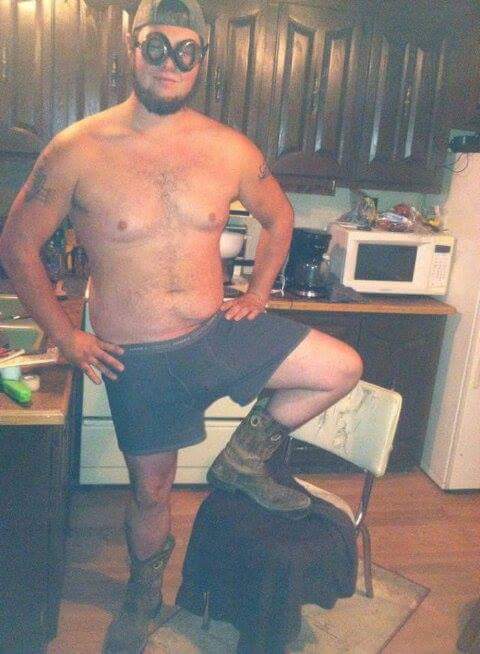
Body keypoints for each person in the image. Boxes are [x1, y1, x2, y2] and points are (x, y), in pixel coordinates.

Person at [0, 0, 363, 651]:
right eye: (157, 47)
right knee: (152, 493)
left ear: (201, 60)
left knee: (340, 367)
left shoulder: (229, 148)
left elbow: (279, 218)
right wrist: (65, 334)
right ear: (132, 48)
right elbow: (17, 244)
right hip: (140, 359)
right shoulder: (77, 149)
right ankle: (143, 596)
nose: (170, 63)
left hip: (218, 334)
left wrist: (258, 290)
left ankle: (241, 460)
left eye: (186, 51)